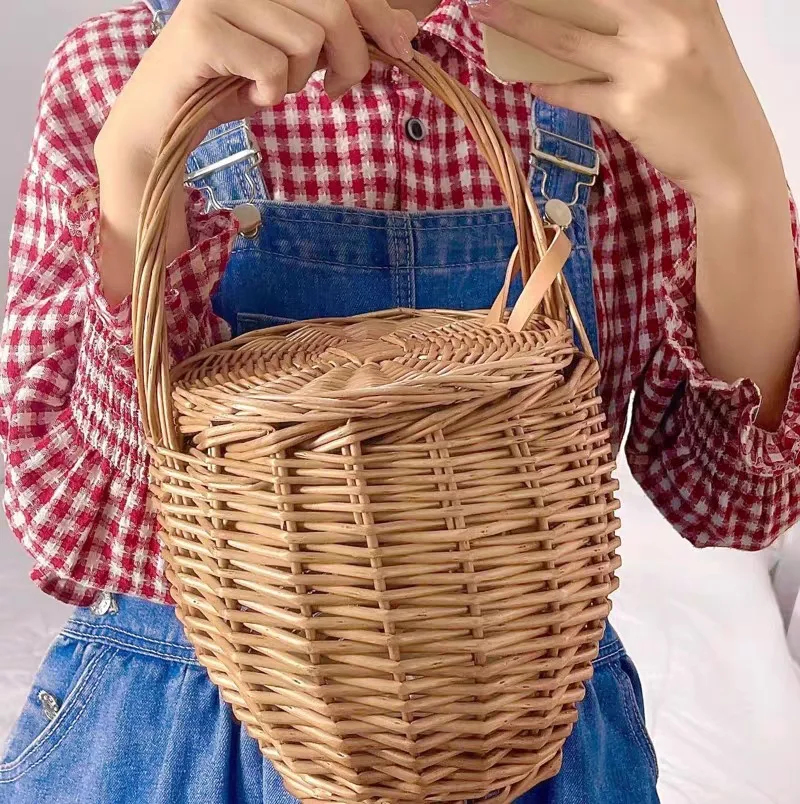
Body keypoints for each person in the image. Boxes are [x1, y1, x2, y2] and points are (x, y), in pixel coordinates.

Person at [1, 0, 798, 801]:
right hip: (179, 738)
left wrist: (744, 187)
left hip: (527, 724)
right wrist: (140, 171)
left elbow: (731, 497)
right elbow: (82, 526)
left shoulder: (612, 60)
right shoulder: (127, 68)